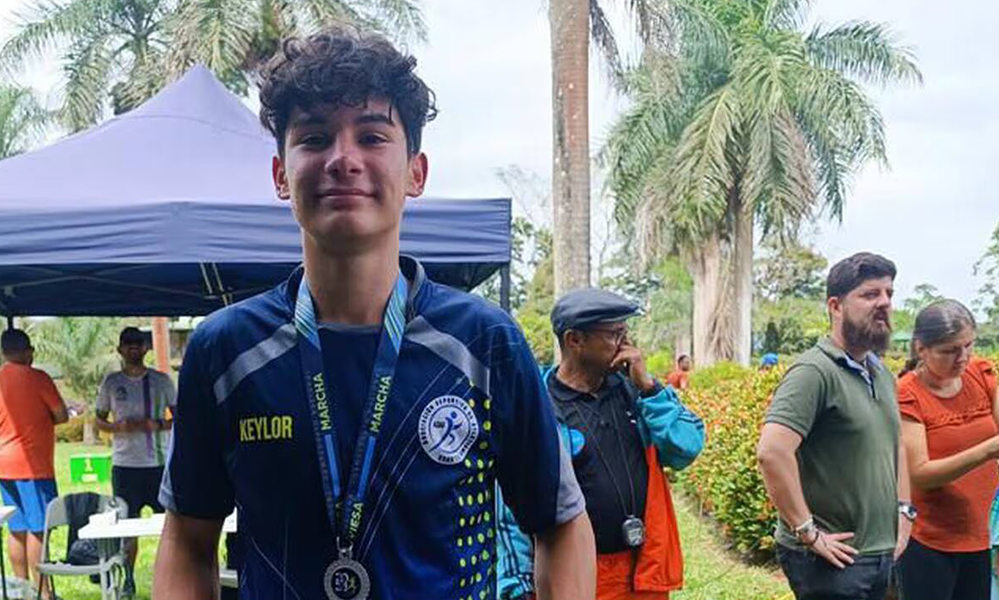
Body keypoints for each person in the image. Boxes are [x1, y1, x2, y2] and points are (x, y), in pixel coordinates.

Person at [154, 28, 595, 600]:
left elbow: (559, 523)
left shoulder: (485, 343)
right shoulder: (226, 351)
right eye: (314, 138)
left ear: (416, 172)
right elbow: (188, 539)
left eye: (371, 136)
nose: (343, 159)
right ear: (281, 174)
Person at [756, 252, 911, 600]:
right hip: (832, 560)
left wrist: (905, 512)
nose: (884, 303)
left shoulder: (881, 373)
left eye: (889, 293)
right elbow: (772, 453)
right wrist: (807, 532)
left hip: (880, 552)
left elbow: (896, 445)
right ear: (835, 306)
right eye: (870, 294)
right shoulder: (814, 372)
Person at [547, 289, 705, 600]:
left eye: (625, 333)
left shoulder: (636, 392)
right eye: (614, 334)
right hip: (574, 572)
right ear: (575, 340)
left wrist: (649, 389)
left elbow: (687, 448)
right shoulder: (542, 405)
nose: (627, 345)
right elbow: (513, 507)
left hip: (641, 571)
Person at [894, 300, 998, 600]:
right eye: (950, 350)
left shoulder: (980, 373)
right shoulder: (907, 393)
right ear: (921, 349)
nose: (962, 357)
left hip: (979, 536)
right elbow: (920, 474)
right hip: (930, 540)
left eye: (968, 346)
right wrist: (987, 450)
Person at [95, 326, 176, 598]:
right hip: (125, 466)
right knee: (126, 528)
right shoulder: (111, 382)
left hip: (158, 465)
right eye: (127, 343)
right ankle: (127, 580)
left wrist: (158, 424)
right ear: (119, 349)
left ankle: (171, 578)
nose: (133, 348)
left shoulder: (161, 381)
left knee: (170, 527)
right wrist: (117, 428)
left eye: (138, 343)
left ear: (146, 348)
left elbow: (182, 417)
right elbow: (98, 421)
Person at [0, 328, 69, 598]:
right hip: (32, 464)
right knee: (38, 529)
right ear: (28, 351)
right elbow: (61, 414)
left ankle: (21, 589)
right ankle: (43, 592)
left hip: (3, 462)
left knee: (17, 529)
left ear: (3, 352)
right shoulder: (38, 378)